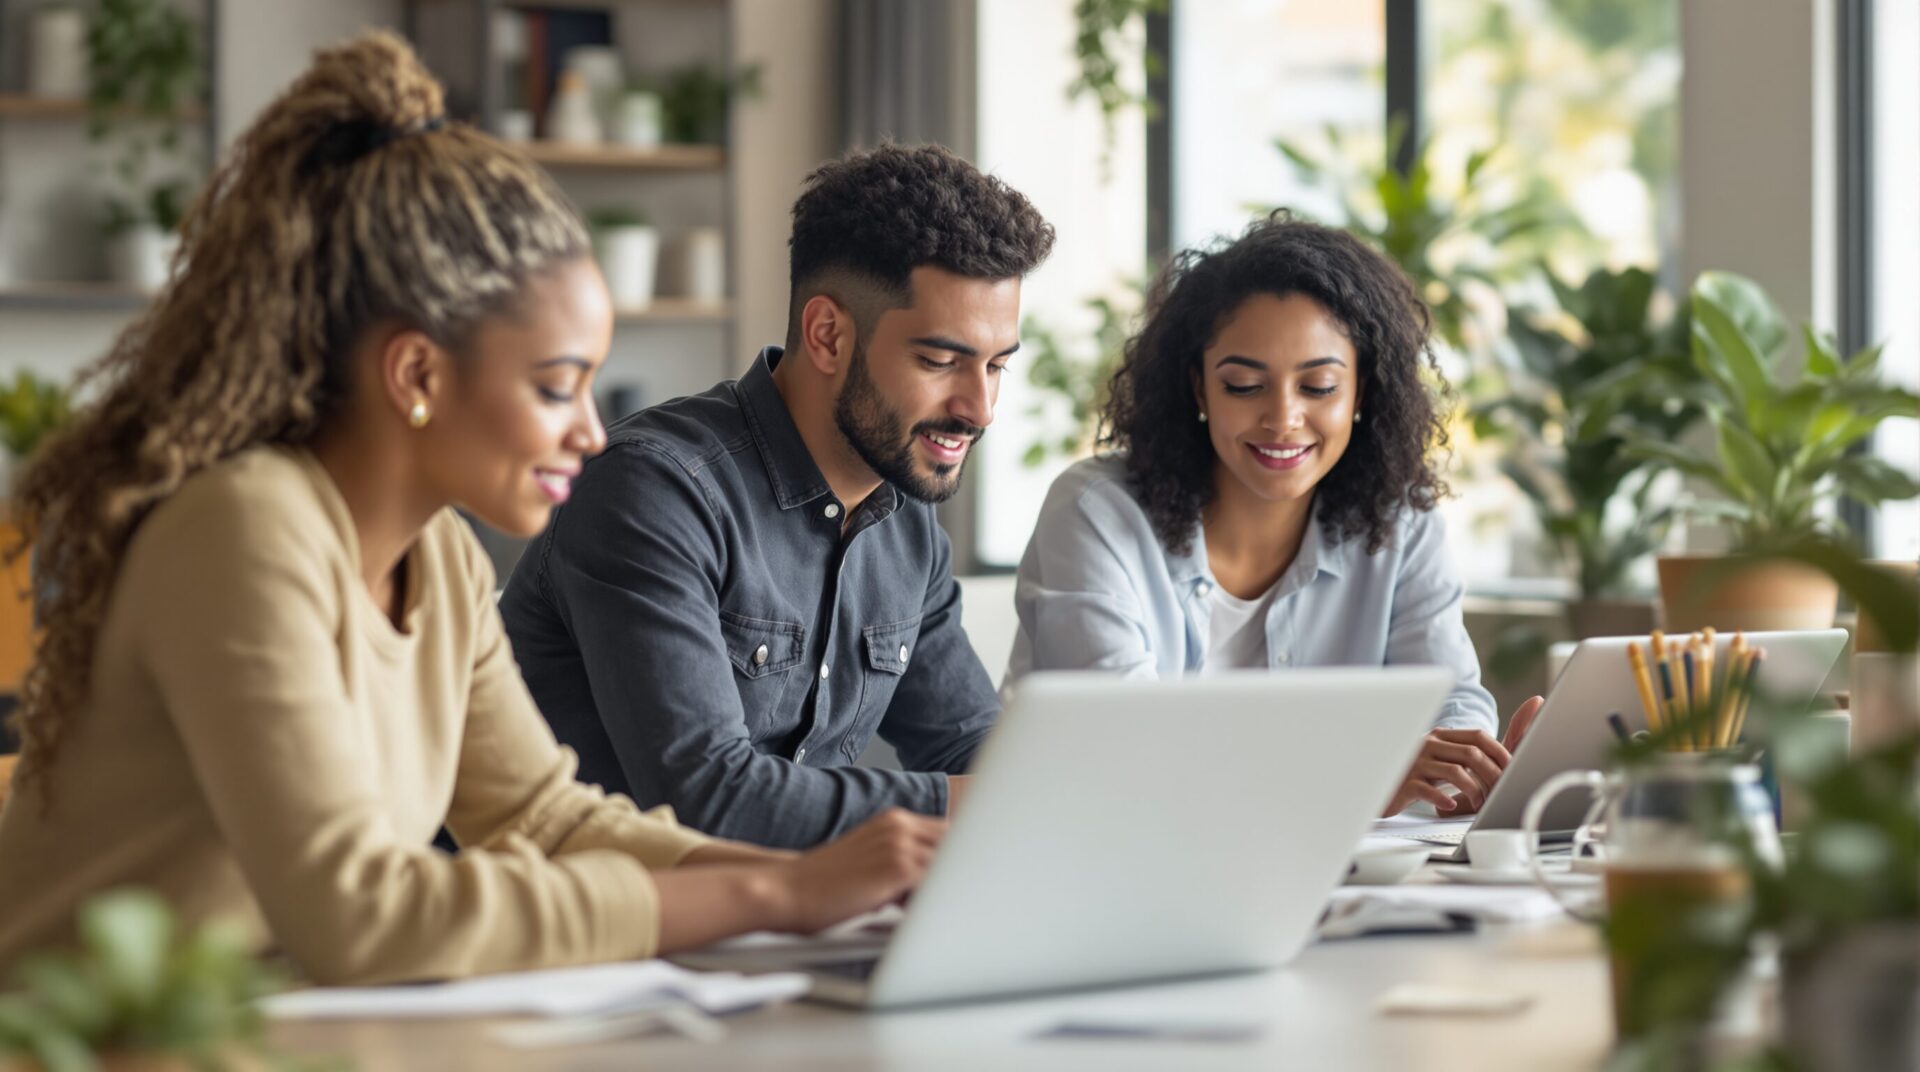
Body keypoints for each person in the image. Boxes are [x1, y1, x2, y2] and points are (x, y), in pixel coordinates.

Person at [0, 32, 945, 985]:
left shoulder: (441, 558)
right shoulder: (244, 529)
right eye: (554, 387)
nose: (589, 433)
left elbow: (542, 818)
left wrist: (827, 885)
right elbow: (359, 912)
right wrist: (774, 897)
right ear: (417, 373)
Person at [501, 144, 1055, 849]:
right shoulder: (653, 491)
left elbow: (971, 747)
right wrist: (966, 804)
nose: (980, 408)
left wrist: (1039, 792)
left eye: (998, 365)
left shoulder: (907, 525)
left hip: (783, 926)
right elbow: (706, 797)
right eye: (940, 361)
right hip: (580, 931)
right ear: (827, 335)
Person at [1006, 216, 1542, 817]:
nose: (1283, 419)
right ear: (1199, 389)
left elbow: (1451, 704)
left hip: (1342, 876)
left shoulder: (1401, 525)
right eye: (1243, 386)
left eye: (1318, 387)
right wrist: (1361, 777)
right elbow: (1124, 752)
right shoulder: (1096, 515)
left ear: (1362, 391)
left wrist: (1474, 767)